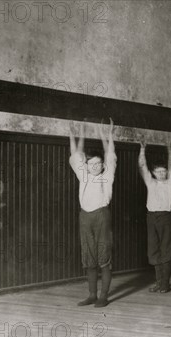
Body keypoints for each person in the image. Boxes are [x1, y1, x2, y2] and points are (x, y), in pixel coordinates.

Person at [69, 119, 116, 308]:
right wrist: (73, 134)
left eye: (98, 164)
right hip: (85, 217)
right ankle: (92, 295)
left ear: (103, 165)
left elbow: (110, 154)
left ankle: (104, 296)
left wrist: (108, 134)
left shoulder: (107, 175)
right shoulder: (83, 175)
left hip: (102, 216)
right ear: (87, 165)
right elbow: (75, 154)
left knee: (103, 256)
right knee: (89, 258)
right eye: (92, 164)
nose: (95, 166)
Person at [138, 137, 171, 293]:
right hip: (151, 217)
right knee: (154, 250)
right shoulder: (151, 182)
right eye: (158, 171)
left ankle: (165, 284)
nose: (162, 174)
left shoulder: (170, 183)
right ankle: (159, 282)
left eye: (164, 171)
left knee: (166, 249)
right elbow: (142, 166)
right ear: (154, 173)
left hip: (166, 218)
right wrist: (142, 149)